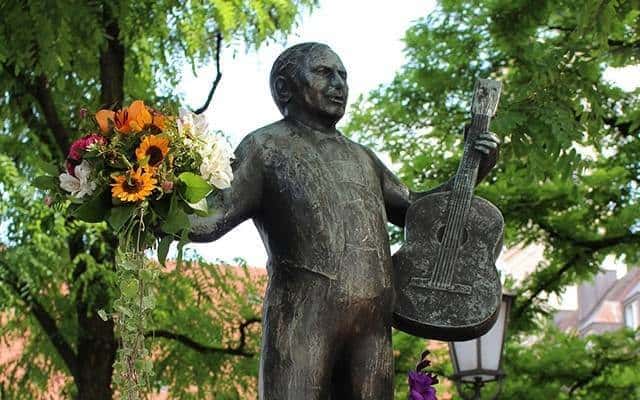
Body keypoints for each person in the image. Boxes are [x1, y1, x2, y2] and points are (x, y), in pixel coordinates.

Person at [189, 42, 499, 400]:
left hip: (372, 322)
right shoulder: (265, 147)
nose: (338, 83)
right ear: (284, 88)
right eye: (324, 72)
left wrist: (471, 171)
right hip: (303, 316)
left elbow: (419, 212)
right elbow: (212, 217)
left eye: (343, 75)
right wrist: (154, 195)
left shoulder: (362, 157)